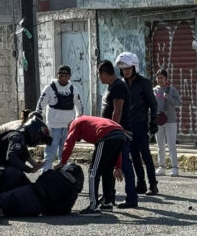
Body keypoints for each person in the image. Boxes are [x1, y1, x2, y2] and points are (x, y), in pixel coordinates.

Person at [0, 164, 85, 223]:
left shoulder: (53, 173)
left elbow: (40, 180)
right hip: (36, 210)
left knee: (0, 200)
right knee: (8, 210)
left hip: (30, 193)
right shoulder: (72, 194)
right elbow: (61, 210)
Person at [54, 116, 127, 216]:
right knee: (108, 171)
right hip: (120, 134)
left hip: (106, 135)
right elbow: (117, 150)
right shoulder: (88, 122)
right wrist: (117, 166)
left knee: (93, 172)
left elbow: (69, 142)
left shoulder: (75, 123)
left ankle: (93, 207)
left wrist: (63, 162)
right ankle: (107, 203)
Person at [0, 115, 52, 197]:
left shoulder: (21, 139)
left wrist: (35, 166)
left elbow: (26, 156)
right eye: (40, 139)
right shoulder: (17, 136)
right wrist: (29, 169)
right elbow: (11, 156)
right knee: (15, 173)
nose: (39, 142)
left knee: (10, 195)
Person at [115, 52, 159, 195]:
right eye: (124, 69)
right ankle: (141, 183)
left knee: (145, 154)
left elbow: (153, 104)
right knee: (134, 156)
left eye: (128, 68)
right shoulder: (120, 84)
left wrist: (153, 122)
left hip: (141, 125)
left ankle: (153, 184)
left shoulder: (144, 83)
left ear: (134, 68)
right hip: (127, 127)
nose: (126, 71)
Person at [98, 60, 138, 209]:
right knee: (109, 165)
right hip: (114, 132)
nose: (99, 78)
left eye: (99, 75)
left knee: (125, 165)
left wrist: (112, 130)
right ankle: (109, 196)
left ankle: (132, 198)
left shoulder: (118, 86)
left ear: (104, 73)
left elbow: (118, 110)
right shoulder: (112, 86)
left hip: (119, 132)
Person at [35, 65, 84, 171]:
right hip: (53, 127)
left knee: (65, 152)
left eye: (66, 76)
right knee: (50, 153)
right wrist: (38, 119)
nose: (63, 78)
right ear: (57, 75)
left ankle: (63, 174)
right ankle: (45, 174)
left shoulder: (73, 89)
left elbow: (79, 106)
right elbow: (40, 105)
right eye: (61, 75)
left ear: (69, 76)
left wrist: (78, 122)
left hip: (68, 127)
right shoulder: (49, 88)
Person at [153, 69, 182, 177]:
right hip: (158, 121)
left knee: (171, 144)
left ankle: (174, 167)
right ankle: (161, 166)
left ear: (166, 79)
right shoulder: (154, 91)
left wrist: (168, 97)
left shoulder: (172, 90)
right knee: (160, 145)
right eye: (158, 77)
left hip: (170, 121)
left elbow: (179, 103)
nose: (160, 80)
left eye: (162, 78)